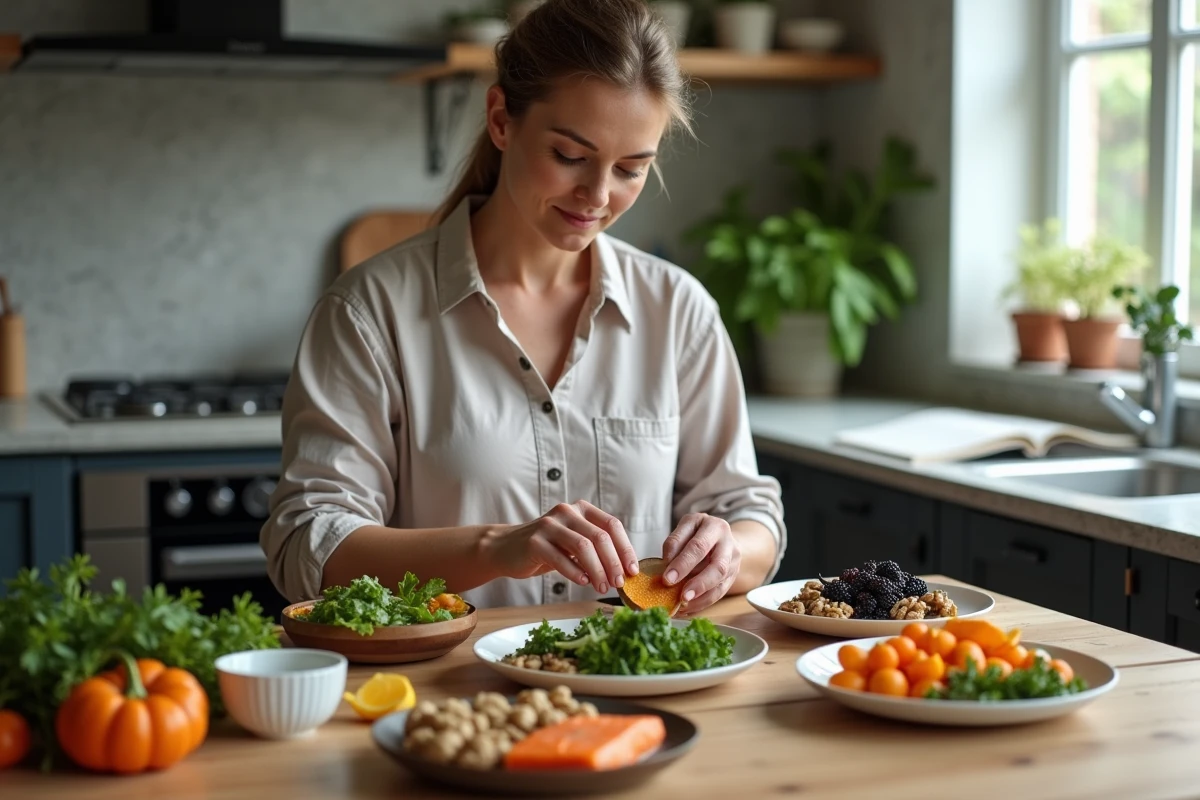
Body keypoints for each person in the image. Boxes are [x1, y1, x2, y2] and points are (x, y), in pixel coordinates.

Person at [260, 0, 785, 614]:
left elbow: (750, 518)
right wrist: (494, 548)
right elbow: (308, 548)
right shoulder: (369, 312)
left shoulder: (679, 310)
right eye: (569, 156)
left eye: (631, 169)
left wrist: (726, 548)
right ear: (502, 119)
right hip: (455, 698)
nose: (597, 195)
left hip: (638, 690)